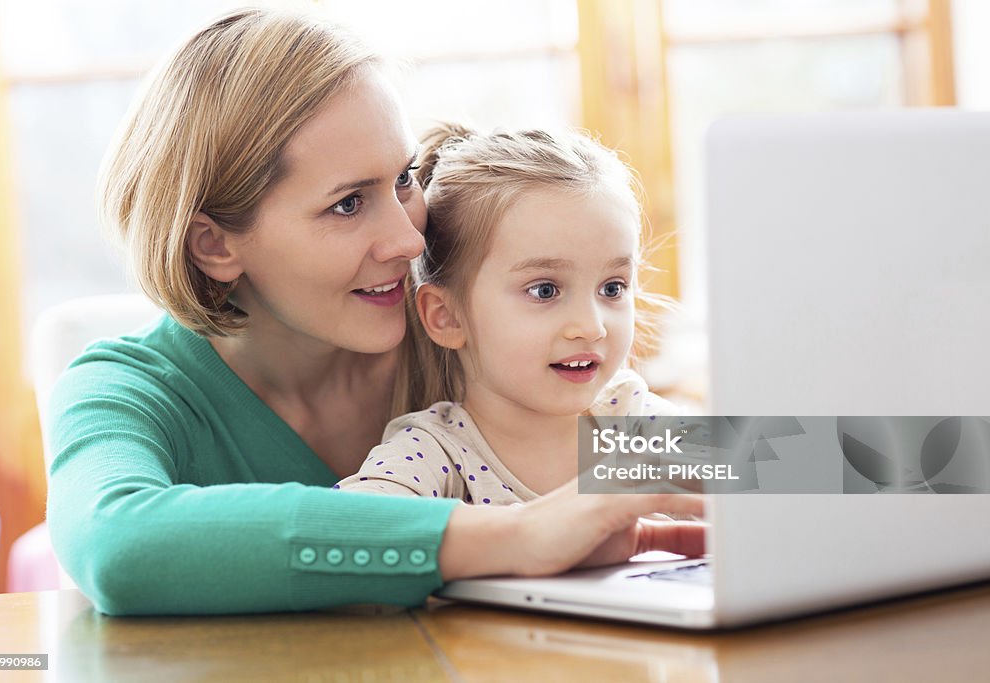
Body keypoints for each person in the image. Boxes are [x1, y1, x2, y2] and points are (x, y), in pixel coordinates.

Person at [46, 8, 705, 616]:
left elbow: (778, 457)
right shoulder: (126, 390)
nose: (410, 241)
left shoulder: (480, 334)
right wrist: (515, 535)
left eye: (402, 179)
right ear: (215, 244)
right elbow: (117, 545)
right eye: (347, 204)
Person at [336, 125, 676, 502]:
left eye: (612, 288)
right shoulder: (435, 451)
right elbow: (346, 524)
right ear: (447, 317)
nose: (591, 327)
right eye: (544, 290)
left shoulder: (633, 418)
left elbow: (752, 476)